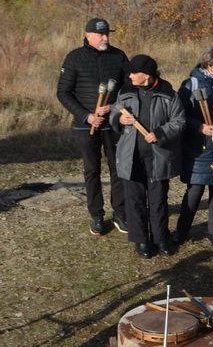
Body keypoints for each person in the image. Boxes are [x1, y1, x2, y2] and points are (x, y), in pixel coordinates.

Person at [56, 17, 129, 236]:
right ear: (88, 36)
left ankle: (120, 213)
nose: (105, 37)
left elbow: (127, 89)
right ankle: (97, 216)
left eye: (107, 33)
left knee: (118, 170)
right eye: (100, 34)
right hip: (85, 125)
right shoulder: (74, 58)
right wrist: (87, 116)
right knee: (92, 170)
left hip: (113, 124)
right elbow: (63, 93)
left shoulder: (119, 56)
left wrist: (114, 108)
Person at [111, 55, 185, 259]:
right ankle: (141, 240)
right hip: (130, 156)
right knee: (134, 199)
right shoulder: (125, 91)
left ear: (147, 75)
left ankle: (161, 239)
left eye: (134, 72)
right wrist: (119, 118)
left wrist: (160, 133)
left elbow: (179, 121)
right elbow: (112, 114)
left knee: (158, 200)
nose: (130, 75)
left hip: (158, 156)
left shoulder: (168, 94)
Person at [174, 46, 213, 249]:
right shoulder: (191, 84)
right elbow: (179, 113)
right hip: (198, 146)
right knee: (195, 189)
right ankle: (181, 230)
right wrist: (198, 126)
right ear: (210, 65)